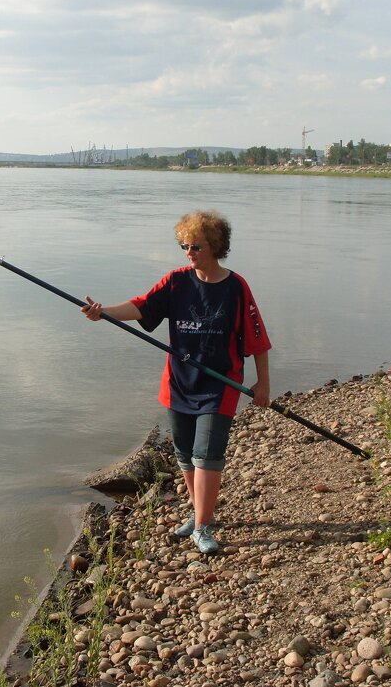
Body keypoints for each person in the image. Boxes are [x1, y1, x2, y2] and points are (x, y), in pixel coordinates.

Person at [81, 210, 271, 554]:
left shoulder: (236, 287)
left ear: (214, 246)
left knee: (207, 455)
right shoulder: (176, 281)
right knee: (185, 454)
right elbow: (141, 307)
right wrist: (103, 311)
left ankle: (202, 526)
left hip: (220, 384)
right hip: (180, 383)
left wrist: (263, 385)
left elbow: (257, 338)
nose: (188, 252)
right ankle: (198, 512)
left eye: (195, 246)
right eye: (184, 245)